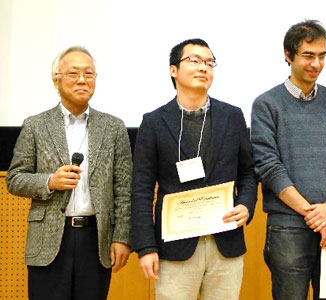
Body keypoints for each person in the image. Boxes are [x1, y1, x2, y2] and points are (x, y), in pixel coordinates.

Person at [131, 38, 257, 300]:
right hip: (175, 247)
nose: (204, 67)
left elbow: (248, 172)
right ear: (173, 70)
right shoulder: (154, 122)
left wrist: (246, 205)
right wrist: (145, 247)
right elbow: (141, 190)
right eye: (194, 60)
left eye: (209, 62)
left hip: (225, 244)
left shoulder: (232, 116)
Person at [251, 20, 326, 300]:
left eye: (322, 56)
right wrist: (314, 215)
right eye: (308, 55)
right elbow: (269, 167)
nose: (316, 63)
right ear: (288, 55)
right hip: (288, 226)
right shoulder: (266, 104)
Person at [6, 46, 132, 300]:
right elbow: (15, 178)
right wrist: (49, 181)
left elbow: (124, 189)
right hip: (49, 240)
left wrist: (122, 238)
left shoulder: (113, 127)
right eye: (73, 73)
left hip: (96, 239)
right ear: (57, 80)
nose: (82, 80)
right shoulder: (36, 125)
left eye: (89, 74)